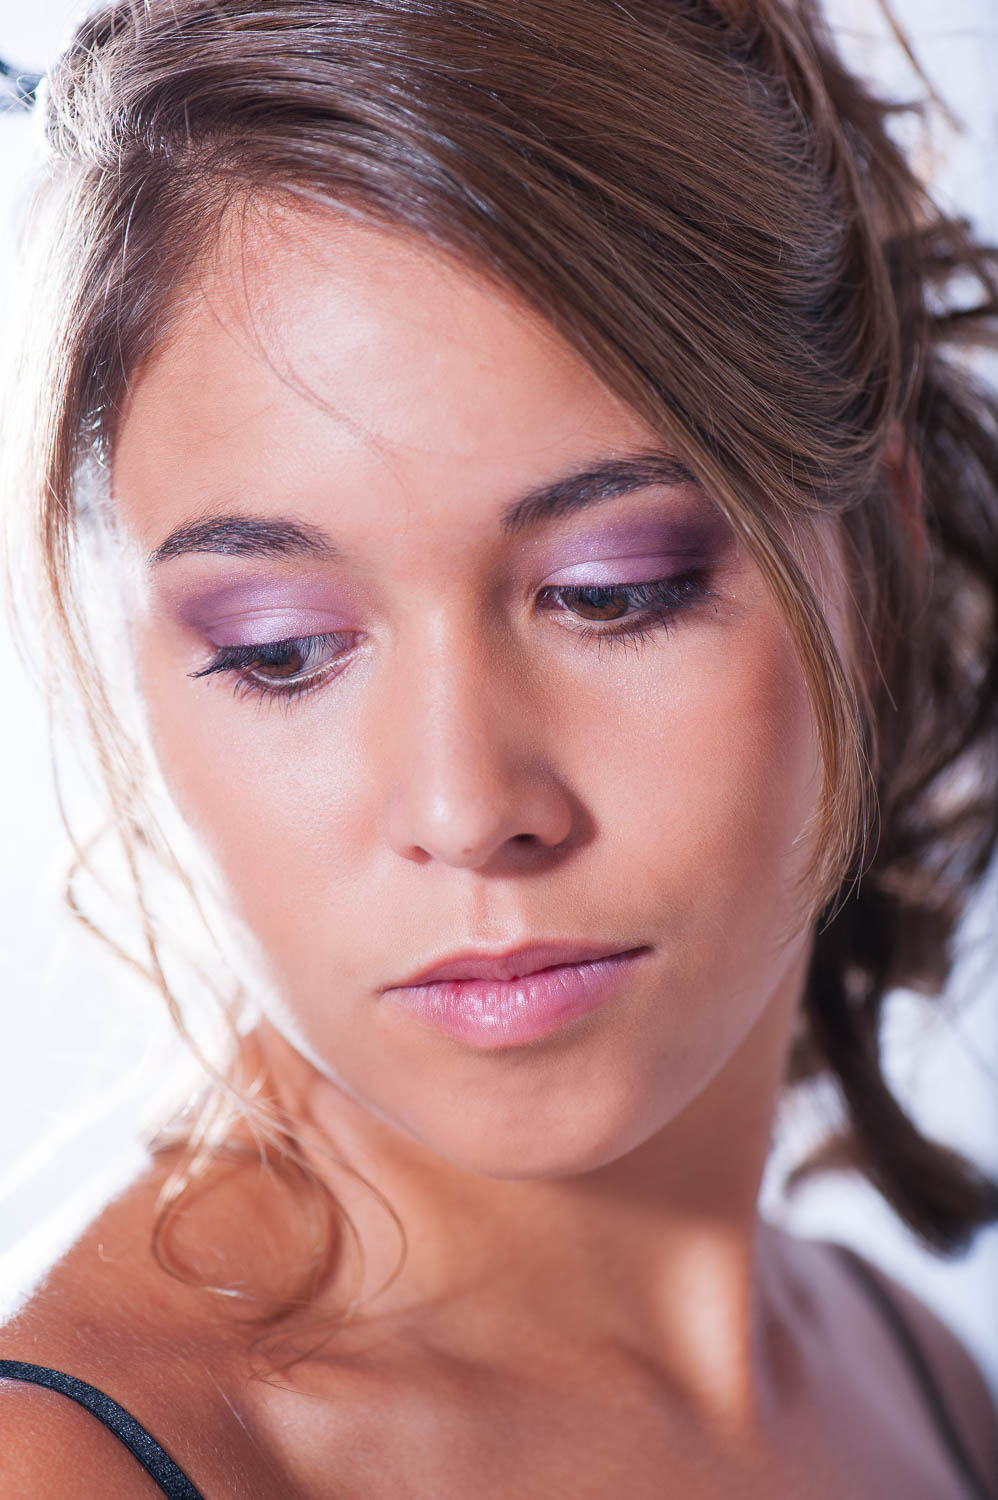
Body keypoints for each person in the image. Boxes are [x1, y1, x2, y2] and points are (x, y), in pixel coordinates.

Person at [0, 0, 996, 1494]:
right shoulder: (86, 1466)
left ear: (883, 545)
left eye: (611, 594)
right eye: (280, 648)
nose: (469, 807)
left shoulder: (918, 1383)